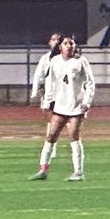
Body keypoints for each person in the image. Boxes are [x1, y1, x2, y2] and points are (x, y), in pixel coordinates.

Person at [30, 36, 94, 181]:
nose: (69, 46)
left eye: (71, 43)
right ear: (60, 47)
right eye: (65, 43)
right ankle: (43, 169)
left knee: (74, 137)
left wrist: (87, 102)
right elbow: (51, 83)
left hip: (76, 106)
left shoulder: (81, 61)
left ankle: (78, 172)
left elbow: (90, 83)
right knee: (51, 136)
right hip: (60, 106)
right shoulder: (55, 61)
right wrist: (47, 102)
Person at [30, 32, 63, 159]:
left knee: (72, 123)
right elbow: (38, 75)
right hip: (50, 94)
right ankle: (51, 149)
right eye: (53, 39)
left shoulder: (70, 59)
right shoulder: (45, 59)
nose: (55, 42)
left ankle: (76, 150)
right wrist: (35, 91)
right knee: (52, 122)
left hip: (66, 95)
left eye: (58, 40)